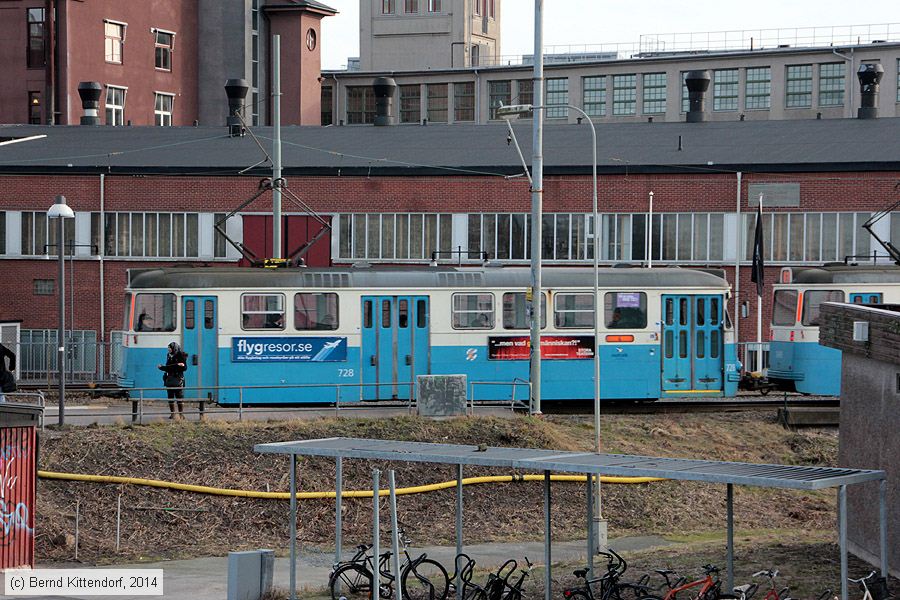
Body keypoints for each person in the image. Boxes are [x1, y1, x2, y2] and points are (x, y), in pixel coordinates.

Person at [158, 342, 187, 419]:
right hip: (169, 380)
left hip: (178, 380)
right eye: (168, 348)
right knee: (170, 397)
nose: (169, 349)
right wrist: (162, 367)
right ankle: (172, 414)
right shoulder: (169, 355)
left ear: (174, 348)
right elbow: (168, 367)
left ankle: (181, 415)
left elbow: (184, 368)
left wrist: (177, 366)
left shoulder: (180, 355)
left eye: (170, 348)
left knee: (179, 398)